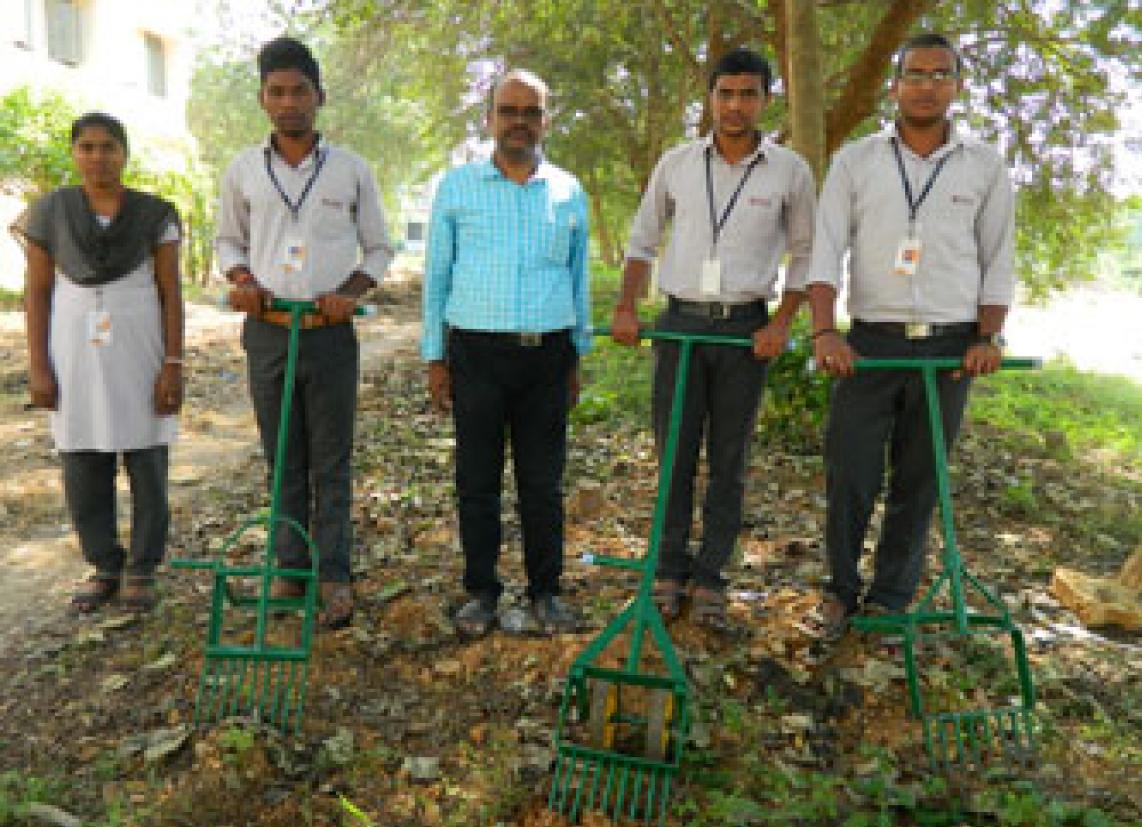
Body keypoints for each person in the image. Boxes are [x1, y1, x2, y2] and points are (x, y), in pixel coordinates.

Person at [801, 33, 1016, 640]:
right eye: (914, 74)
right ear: (894, 86)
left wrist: (988, 337)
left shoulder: (984, 167)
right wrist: (824, 331)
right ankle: (840, 592)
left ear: (957, 86)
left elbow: (997, 259)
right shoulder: (857, 161)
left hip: (950, 349)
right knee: (851, 474)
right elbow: (825, 251)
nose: (926, 85)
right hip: (869, 347)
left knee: (921, 480)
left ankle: (892, 599)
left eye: (939, 74)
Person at [611, 48, 816, 630]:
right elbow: (642, 240)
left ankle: (711, 575)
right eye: (725, 93)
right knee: (674, 452)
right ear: (710, 97)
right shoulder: (677, 163)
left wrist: (781, 323)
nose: (735, 105)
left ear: (765, 100)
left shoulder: (789, 172)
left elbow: (806, 254)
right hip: (680, 325)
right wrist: (627, 306)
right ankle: (668, 568)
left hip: (745, 332)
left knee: (730, 457)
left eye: (748, 94)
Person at [215, 36, 394, 630]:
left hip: (327, 333)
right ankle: (291, 567)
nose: (289, 102)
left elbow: (379, 247)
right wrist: (240, 277)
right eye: (277, 92)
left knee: (331, 459)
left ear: (319, 96)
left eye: (300, 91)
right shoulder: (243, 170)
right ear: (263, 99)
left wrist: (351, 294)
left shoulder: (351, 170)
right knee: (281, 455)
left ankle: (336, 574)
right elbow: (228, 241)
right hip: (268, 331)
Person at [421, 69, 591, 638]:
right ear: (490, 118)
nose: (519, 121)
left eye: (531, 111)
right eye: (508, 109)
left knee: (543, 485)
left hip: (546, 357)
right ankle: (482, 594)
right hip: (476, 354)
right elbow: (437, 279)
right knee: (477, 481)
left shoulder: (567, 191)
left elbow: (578, 278)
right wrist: (435, 358)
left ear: (546, 120)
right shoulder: (457, 188)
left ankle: (546, 594)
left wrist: (576, 355)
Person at [16, 112, 184, 613]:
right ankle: (104, 565)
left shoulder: (155, 215)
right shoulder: (51, 213)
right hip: (73, 353)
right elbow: (38, 293)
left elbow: (170, 292)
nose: (97, 157)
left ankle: (142, 568)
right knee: (82, 459)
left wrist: (173, 361)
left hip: (141, 348)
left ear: (124, 153)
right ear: (74, 153)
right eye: (86, 147)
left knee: (147, 456)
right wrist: (39, 365)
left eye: (108, 146)